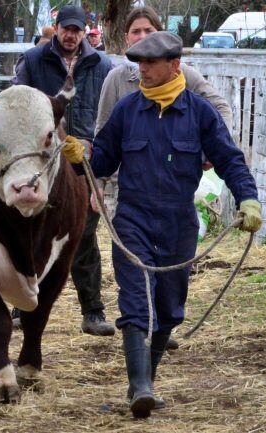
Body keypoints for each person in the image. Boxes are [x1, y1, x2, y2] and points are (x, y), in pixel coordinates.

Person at [62, 31, 261, 419]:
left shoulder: (202, 114)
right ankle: (139, 386)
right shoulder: (126, 110)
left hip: (178, 222)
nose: (142, 70)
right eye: (138, 63)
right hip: (132, 218)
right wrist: (78, 156)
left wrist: (248, 197)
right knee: (136, 301)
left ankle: (145, 382)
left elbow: (230, 159)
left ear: (174, 66)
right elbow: (101, 161)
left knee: (170, 309)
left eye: (149, 64)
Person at [94, 6, 234, 351]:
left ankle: (159, 327)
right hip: (126, 190)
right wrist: (93, 178)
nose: (142, 40)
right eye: (135, 33)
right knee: (134, 268)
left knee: (169, 278)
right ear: (126, 38)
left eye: (148, 32)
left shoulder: (187, 77)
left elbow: (221, 114)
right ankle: (139, 335)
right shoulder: (117, 82)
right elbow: (103, 136)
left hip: (174, 193)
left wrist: (207, 154)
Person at [12, 5, 114, 336]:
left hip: (86, 160)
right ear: (55, 27)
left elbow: (112, 112)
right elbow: (16, 102)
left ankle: (93, 311)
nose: (71, 35)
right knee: (34, 231)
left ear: (87, 31)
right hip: (42, 160)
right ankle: (22, 305)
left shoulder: (102, 65)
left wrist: (97, 148)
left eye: (78, 30)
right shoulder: (32, 60)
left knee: (83, 233)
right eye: (66, 28)